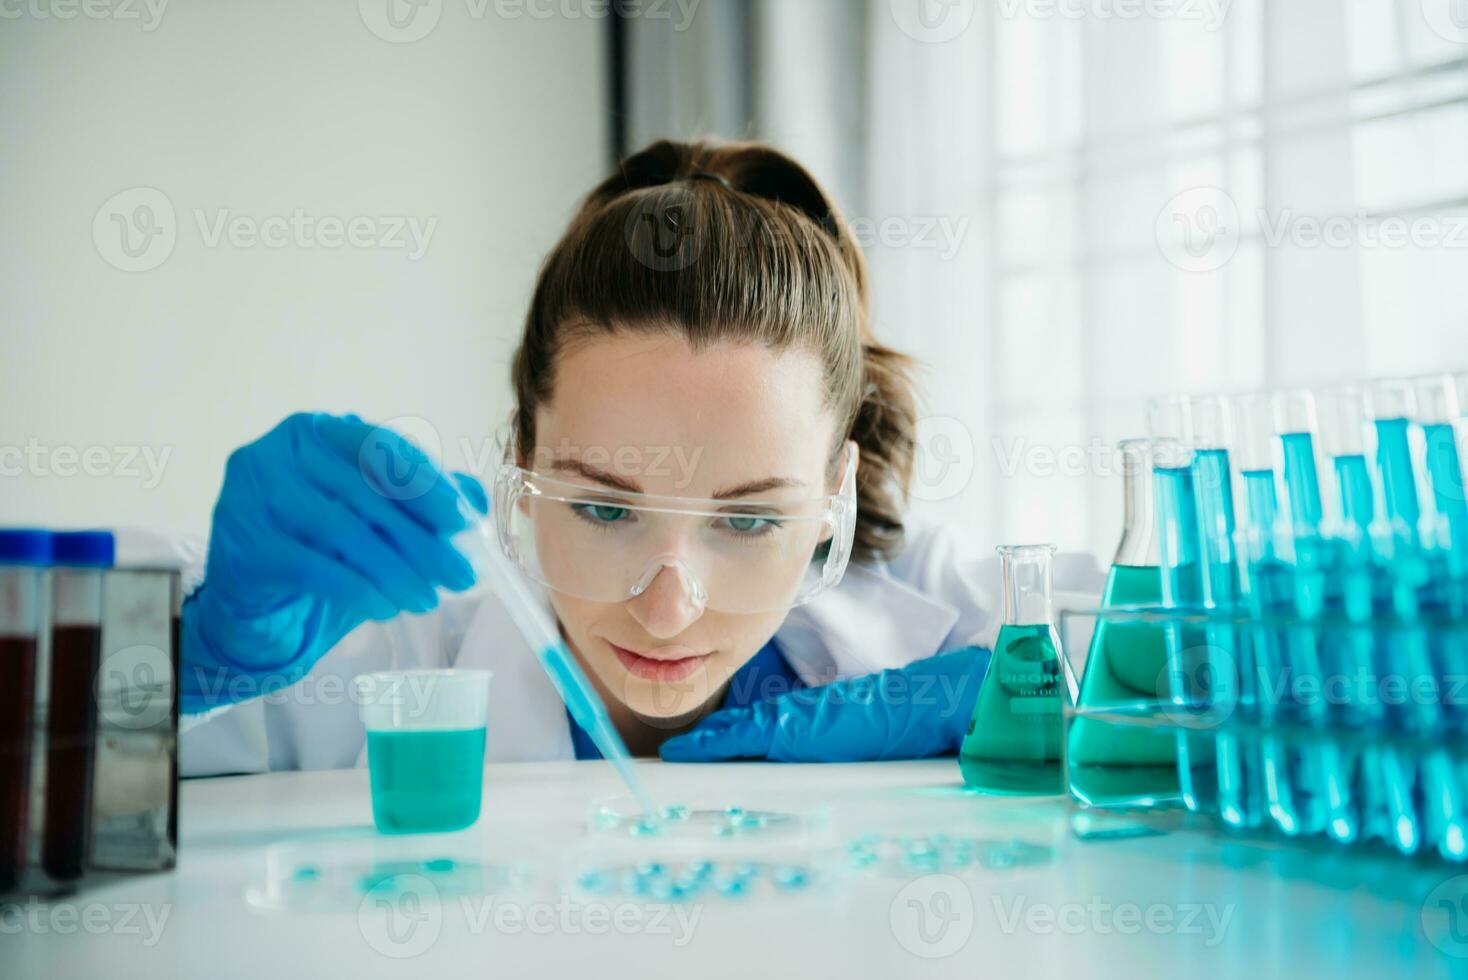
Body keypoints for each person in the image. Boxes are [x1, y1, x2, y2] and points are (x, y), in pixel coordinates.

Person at [178, 139, 1101, 776]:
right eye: (605, 508)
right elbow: (43, 750)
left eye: (747, 519)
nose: (666, 610)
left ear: (834, 496)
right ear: (521, 462)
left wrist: (1027, 685)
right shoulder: (389, 656)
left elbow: (1208, 633)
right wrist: (198, 654)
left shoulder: (933, 610)